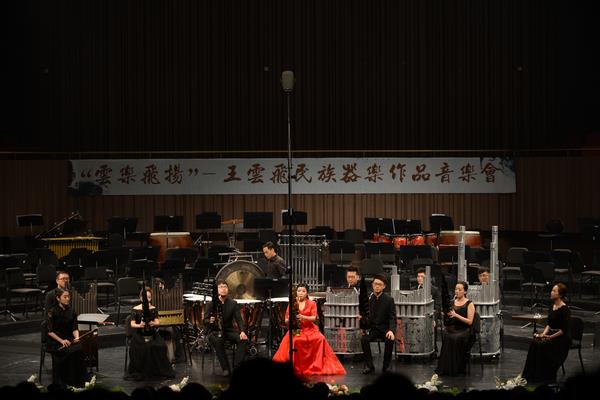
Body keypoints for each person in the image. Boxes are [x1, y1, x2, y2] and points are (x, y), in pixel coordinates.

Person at [273, 283, 346, 376]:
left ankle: (315, 365)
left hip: (309, 329)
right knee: (295, 341)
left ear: (307, 293)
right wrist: (292, 319)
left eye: (303, 291)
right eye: (299, 291)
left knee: (320, 338)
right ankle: (295, 366)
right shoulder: (292, 304)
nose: (301, 293)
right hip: (297, 329)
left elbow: (314, 318)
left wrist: (303, 317)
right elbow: (286, 320)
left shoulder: (312, 303)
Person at [522, 283, 571, 383]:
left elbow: (563, 330)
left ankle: (543, 376)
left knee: (542, 345)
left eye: (554, 291)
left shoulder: (565, 310)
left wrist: (550, 337)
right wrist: (543, 334)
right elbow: (549, 325)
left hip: (561, 338)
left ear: (560, 295)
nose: (551, 292)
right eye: (552, 290)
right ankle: (531, 374)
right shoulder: (552, 307)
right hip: (551, 334)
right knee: (535, 342)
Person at [126, 287, 174, 380]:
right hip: (139, 334)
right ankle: (143, 370)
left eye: (149, 297)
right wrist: (140, 325)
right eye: (145, 297)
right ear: (141, 298)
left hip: (152, 333)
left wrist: (153, 323)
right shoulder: (135, 309)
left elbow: (157, 322)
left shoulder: (153, 309)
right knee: (144, 347)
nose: (147, 299)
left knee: (161, 346)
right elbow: (132, 324)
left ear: (151, 298)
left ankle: (156, 370)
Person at [204, 280, 248, 377]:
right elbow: (205, 320)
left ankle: (237, 366)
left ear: (228, 289)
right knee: (218, 340)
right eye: (220, 287)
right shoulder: (211, 304)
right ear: (216, 290)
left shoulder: (233, 303)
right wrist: (209, 320)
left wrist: (242, 331)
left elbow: (239, 320)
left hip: (228, 330)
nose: (223, 289)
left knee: (243, 339)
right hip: (214, 331)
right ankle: (226, 368)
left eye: (225, 287)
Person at [45, 287, 87, 387]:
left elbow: (74, 328)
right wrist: (61, 341)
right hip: (55, 341)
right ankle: (65, 380)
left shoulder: (71, 311)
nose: (68, 299)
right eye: (65, 297)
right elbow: (50, 332)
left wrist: (77, 337)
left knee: (79, 349)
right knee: (69, 351)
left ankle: (77, 380)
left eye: (68, 296)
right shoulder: (52, 311)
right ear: (58, 298)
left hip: (69, 338)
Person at [436, 281, 475, 376]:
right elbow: (449, 319)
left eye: (459, 289)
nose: (457, 291)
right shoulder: (452, 302)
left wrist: (456, 315)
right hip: (454, 328)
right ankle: (447, 368)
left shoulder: (469, 304)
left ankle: (457, 368)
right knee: (447, 336)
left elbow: (470, 322)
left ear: (465, 291)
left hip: (465, 329)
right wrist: (445, 315)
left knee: (455, 338)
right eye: (456, 289)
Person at [360, 274, 396, 374]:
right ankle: (370, 366)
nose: (377, 286)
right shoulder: (369, 299)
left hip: (385, 329)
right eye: (375, 284)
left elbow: (392, 317)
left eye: (379, 284)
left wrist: (391, 330)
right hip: (373, 329)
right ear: (372, 285)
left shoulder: (389, 300)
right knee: (364, 339)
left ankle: (386, 366)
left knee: (389, 339)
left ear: (384, 286)